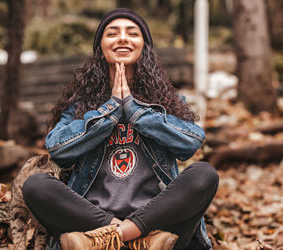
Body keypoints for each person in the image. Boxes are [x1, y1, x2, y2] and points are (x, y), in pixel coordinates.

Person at [22, 8, 219, 250]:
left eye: (132, 33)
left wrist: (136, 111)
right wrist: (111, 109)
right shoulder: (80, 106)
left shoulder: (167, 102)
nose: (123, 38)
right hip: (92, 221)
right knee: (36, 185)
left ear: (144, 47)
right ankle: (123, 236)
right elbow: (58, 149)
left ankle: (117, 237)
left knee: (204, 175)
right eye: (112, 33)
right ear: (101, 50)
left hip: (159, 228)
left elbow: (191, 142)